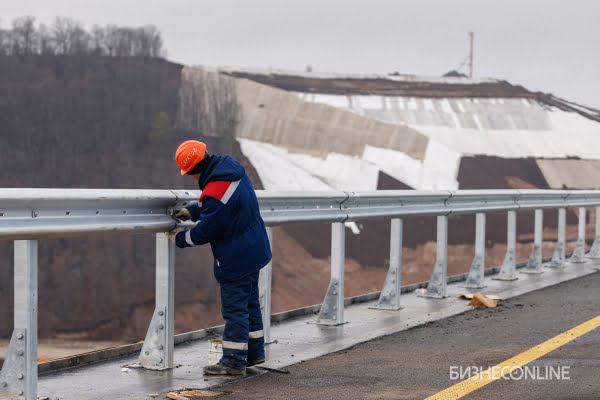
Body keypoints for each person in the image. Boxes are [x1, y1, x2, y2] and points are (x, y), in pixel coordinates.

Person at [172, 140, 272, 376]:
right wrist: (192, 210)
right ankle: (254, 352)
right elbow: (222, 206)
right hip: (253, 249)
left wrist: (180, 239)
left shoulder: (215, 192)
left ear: (193, 170)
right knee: (249, 303)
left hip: (236, 257)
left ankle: (233, 362)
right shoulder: (230, 169)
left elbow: (208, 228)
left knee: (235, 309)